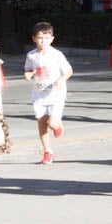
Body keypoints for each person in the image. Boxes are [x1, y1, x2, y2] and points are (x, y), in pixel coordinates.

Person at [22, 22, 73, 165]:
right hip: (39, 94)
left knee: (51, 123)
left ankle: (57, 126)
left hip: (56, 93)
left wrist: (61, 79)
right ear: (33, 38)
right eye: (39, 38)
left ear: (52, 39)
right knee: (41, 123)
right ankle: (48, 152)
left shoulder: (57, 55)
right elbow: (29, 69)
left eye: (46, 38)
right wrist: (29, 74)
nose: (43, 41)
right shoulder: (31, 55)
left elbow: (69, 71)